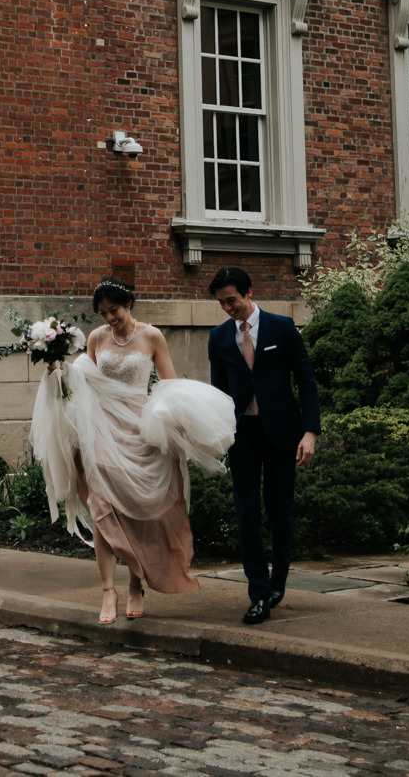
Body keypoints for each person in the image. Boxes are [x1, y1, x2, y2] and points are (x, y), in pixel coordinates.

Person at [30, 278, 236, 625]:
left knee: (143, 511)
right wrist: (56, 370)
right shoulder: (96, 339)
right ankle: (108, 589)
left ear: (129, 304)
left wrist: (173, 421)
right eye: (103, 313)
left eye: (114, 310)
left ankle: (136, 584)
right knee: (103, 507)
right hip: (103, 429)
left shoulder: (152, 336)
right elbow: (81, 382)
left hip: (141, 429)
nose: (109, 318)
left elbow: (169, 384)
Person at [206, 265, 319, 625]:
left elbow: (306, 382)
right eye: (222, 304)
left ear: (249, 292)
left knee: (280, 513)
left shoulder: (282, 328)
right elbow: (219, 392)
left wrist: (310, 432)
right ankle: (257, 593)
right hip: (242, 436)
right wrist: (218, 432)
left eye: (232, 300)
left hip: (282, 433)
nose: (228, 308)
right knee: (247, 513)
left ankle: (277, 582)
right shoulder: (219, 338)